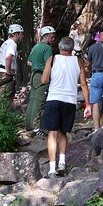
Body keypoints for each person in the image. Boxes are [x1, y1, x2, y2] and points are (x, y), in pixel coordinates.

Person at [40, 36, 89, 177]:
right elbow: (84, 84)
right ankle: (62, 162)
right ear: (72, 48)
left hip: (54, 98)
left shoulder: (53, 59)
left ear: (60, 47)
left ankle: (51, 168)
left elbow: (44, 79)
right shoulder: (78, 61)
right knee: (63, 132)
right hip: (70, 100)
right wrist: (88, 104)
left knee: (52, 133)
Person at [26, 25, 56, 132]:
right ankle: (35, 127)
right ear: (46, 36)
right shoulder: (48, 49)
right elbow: (48, 64)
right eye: (52, 36)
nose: (53, 38)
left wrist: (36, 65)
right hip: (42, 75)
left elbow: (29, 62)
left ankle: (28, 124)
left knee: (32, 99)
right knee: (40, 101)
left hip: (34, 76)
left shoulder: (35, 47)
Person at [0, 24, 24, 104]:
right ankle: (3, 115)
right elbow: (8, 57)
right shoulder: (13, 44)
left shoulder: (6, 43)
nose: (23, 36)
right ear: (16, 34)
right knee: (5, 100)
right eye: (21, 34)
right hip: (5, 73)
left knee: (3, 97)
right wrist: (8, 71)